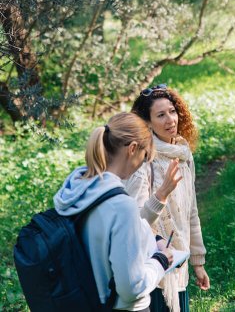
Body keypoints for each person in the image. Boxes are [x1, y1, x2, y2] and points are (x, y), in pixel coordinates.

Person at [53, 112, 174, 312]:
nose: (141, 166)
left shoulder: (78, 189)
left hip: (85, 301)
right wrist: (160, 261)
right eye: (144, 158)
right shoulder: (120, 205)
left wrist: (153, 238)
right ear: (133, 149)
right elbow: (131, 288)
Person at [123, 85, 210, 312]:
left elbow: (191, 212)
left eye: (172, 111)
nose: (170, 119)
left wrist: (198, 263)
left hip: (179, 270)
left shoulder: (183, 153)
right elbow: (135, 222)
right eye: (161, 115)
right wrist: (162, 193)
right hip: (153, 271)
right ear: (148, 123)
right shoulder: (142, 160)